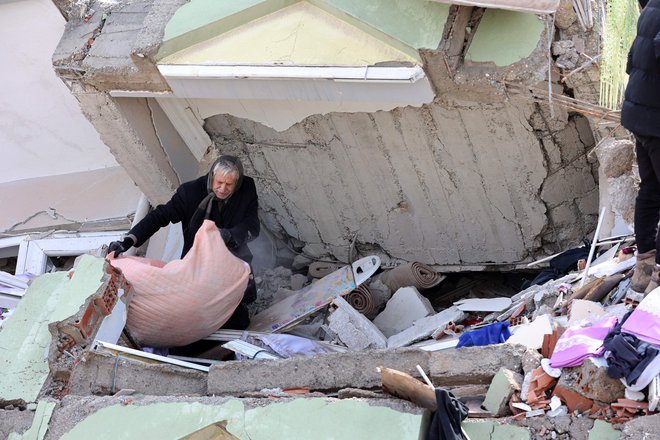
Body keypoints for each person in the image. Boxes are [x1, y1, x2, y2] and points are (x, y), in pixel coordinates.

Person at [108, 155, 260, 328]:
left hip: (232, 255)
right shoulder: (190, 193)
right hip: (198, 259)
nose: (222, 189)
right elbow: (160, 216)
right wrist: (128, 240)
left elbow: (252, 226)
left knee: (238, 316)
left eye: (229, 185)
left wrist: (229, 235)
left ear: (238, 183)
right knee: (201, 310)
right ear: (211, 177)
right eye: (219, 182)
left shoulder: (247, 188)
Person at [622, 0, 660, 295]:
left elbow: (631, 62)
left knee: (651, 188)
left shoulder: (650, 10)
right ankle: (657, 280)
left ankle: (644, 265)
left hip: (639, 115)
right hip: (655, 120)